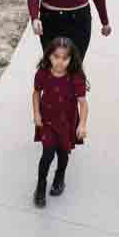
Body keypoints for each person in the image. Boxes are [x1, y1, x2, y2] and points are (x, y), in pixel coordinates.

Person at [30, 36, 88, 207]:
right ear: (49, 56)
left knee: (63, 153)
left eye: (65, 58)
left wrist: (82, 124)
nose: (60, 62)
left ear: (71, 59)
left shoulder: (75, 77)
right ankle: (41, 185)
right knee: (47, 155)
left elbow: (83, 103)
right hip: (47, 121)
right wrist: (36, 114)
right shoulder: (42, 73)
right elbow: (36, 93)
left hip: (67, 123)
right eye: (56, 57)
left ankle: (60, 176)